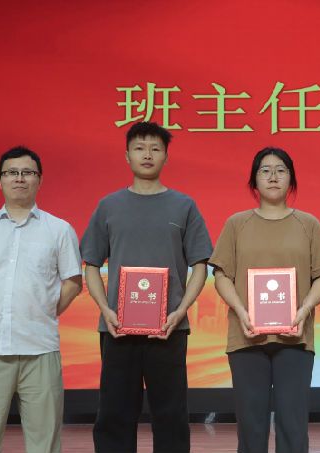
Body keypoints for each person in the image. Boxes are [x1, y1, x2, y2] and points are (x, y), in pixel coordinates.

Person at [81, 121, 213, 453]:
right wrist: (105, 309)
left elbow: (200, 265)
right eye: (139, 148)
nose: (147, 154)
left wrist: (180, 311)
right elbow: (91, 264)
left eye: (155, 148)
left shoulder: (184, 205)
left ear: (166, 156)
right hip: (117, 328)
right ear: (127, 156)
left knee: (171, 414)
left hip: (169, 328)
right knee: (114, 413)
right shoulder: (108, 206)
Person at [209, 147, 320, 453]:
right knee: (251, 425)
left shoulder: (308, 223)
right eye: (265, 171)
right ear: (254, 180)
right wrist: (241, 311)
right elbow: (222, 274)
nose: (273, 176)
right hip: (246, 336)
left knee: (293, 424)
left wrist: (304, 309)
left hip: (295, 337)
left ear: (291, 179)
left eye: (281, 170)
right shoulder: (236, 224)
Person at [0, 146, 82, 453]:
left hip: (40, 349)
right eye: (11, 172)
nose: (19, 178)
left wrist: (46, 310)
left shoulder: (59, 229)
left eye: (27, 172)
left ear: (39, 180)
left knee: (44, 442)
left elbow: (73, 282)